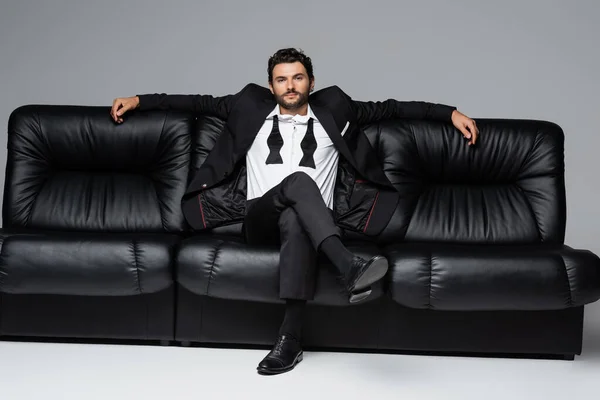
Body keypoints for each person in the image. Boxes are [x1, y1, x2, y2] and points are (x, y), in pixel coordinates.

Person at [110, 48, 478, 375]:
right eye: (281, 79)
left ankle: (289, 340)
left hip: (312, 222)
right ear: (270, 85)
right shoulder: (248, 106)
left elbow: (394, 108)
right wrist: (139, 100)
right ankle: (347, 266)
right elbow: (195, 103)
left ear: (311, 82)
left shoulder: (335, 109)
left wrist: (450, 114)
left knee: (296, 215)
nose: (290, 86)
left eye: (297, 78)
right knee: (299, 182)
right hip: (257, 219)